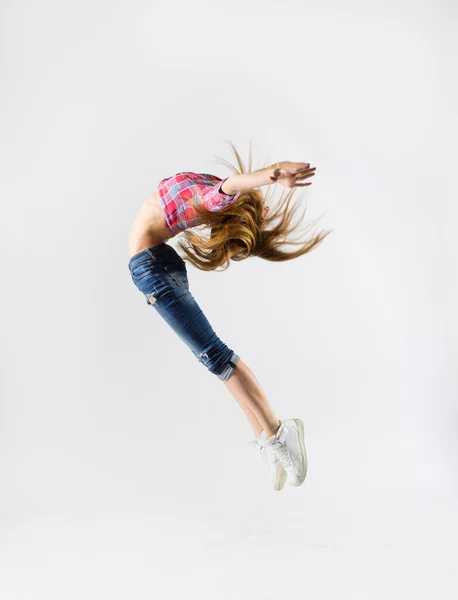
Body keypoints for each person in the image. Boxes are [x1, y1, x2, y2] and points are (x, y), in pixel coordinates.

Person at [127, 141, 333, 491]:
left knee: (215, 356)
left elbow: (232, 186)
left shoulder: (210, 198)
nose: (263, 205)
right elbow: (233, 184)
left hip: (152, 270)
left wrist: (272, 173)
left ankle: (279, 431)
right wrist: (266, 178)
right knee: (214, 358)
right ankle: (269, 437)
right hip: (155, 264)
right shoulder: (209, 188)